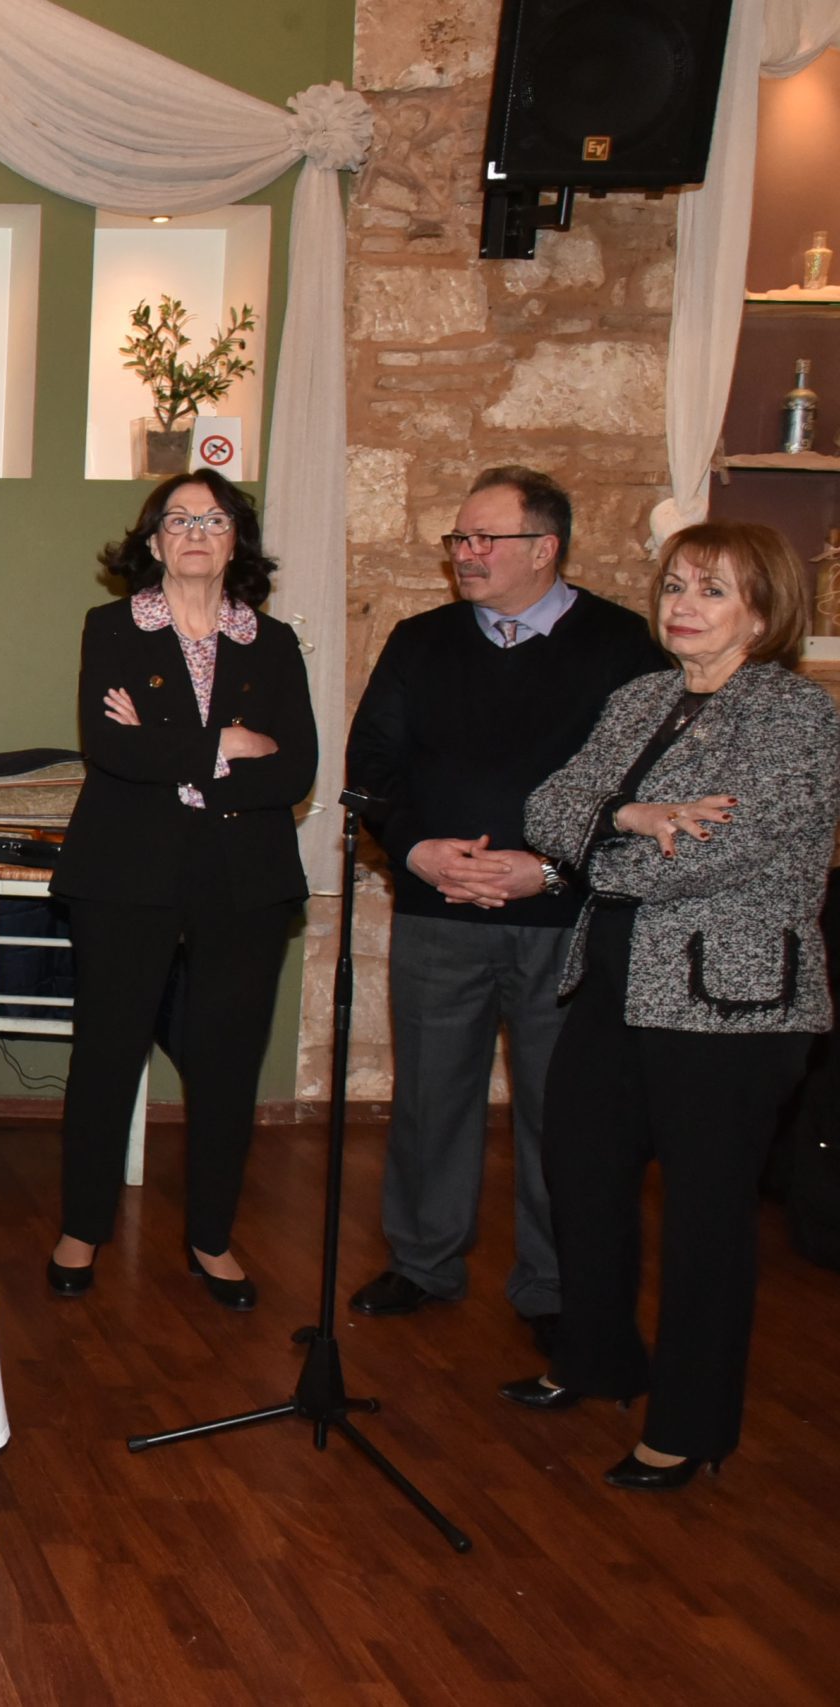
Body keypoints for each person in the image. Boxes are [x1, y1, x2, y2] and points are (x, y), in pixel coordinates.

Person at [503, 521, 838, 1490]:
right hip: (612, 979)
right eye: (676, 586)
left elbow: (714, 854)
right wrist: (629, 814)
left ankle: (691, 1427)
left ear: (763, 614)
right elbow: (545, 807)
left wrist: (592, 853)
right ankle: (596, 1359)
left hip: (728, 1004)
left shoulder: (794, 716)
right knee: (580, 1173)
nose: (683, 606)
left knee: (705, 1219)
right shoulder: (641, 698)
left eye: (713, 591)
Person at [344, 467, 664, 1350]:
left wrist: (551, 869)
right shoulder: (420, 641)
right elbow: (373, 764)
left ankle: (555, 1284)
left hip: (567, 921)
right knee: (429, 1099)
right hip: (438, 909)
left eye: (486, 538)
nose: (466, 553)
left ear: (546, 548)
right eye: (459, 538)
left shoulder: (623, 646)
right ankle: (422, 1261)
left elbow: (642, 785)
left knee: (561, 1115)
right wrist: (416, 848)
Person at [44, 471, 316, 1308]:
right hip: (127, 873)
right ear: (154, 540)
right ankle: (82, 1226)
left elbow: (296, 769)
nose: (196, 531)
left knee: (228, 1064)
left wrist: (172, 748)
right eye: (178, 519)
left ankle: (212, 1237)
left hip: (246, 880)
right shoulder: (111, 628)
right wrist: (228, 742)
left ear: (237, 540)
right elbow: (111, 750)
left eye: (214, 518)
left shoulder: (274, 643)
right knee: (107, 1054)